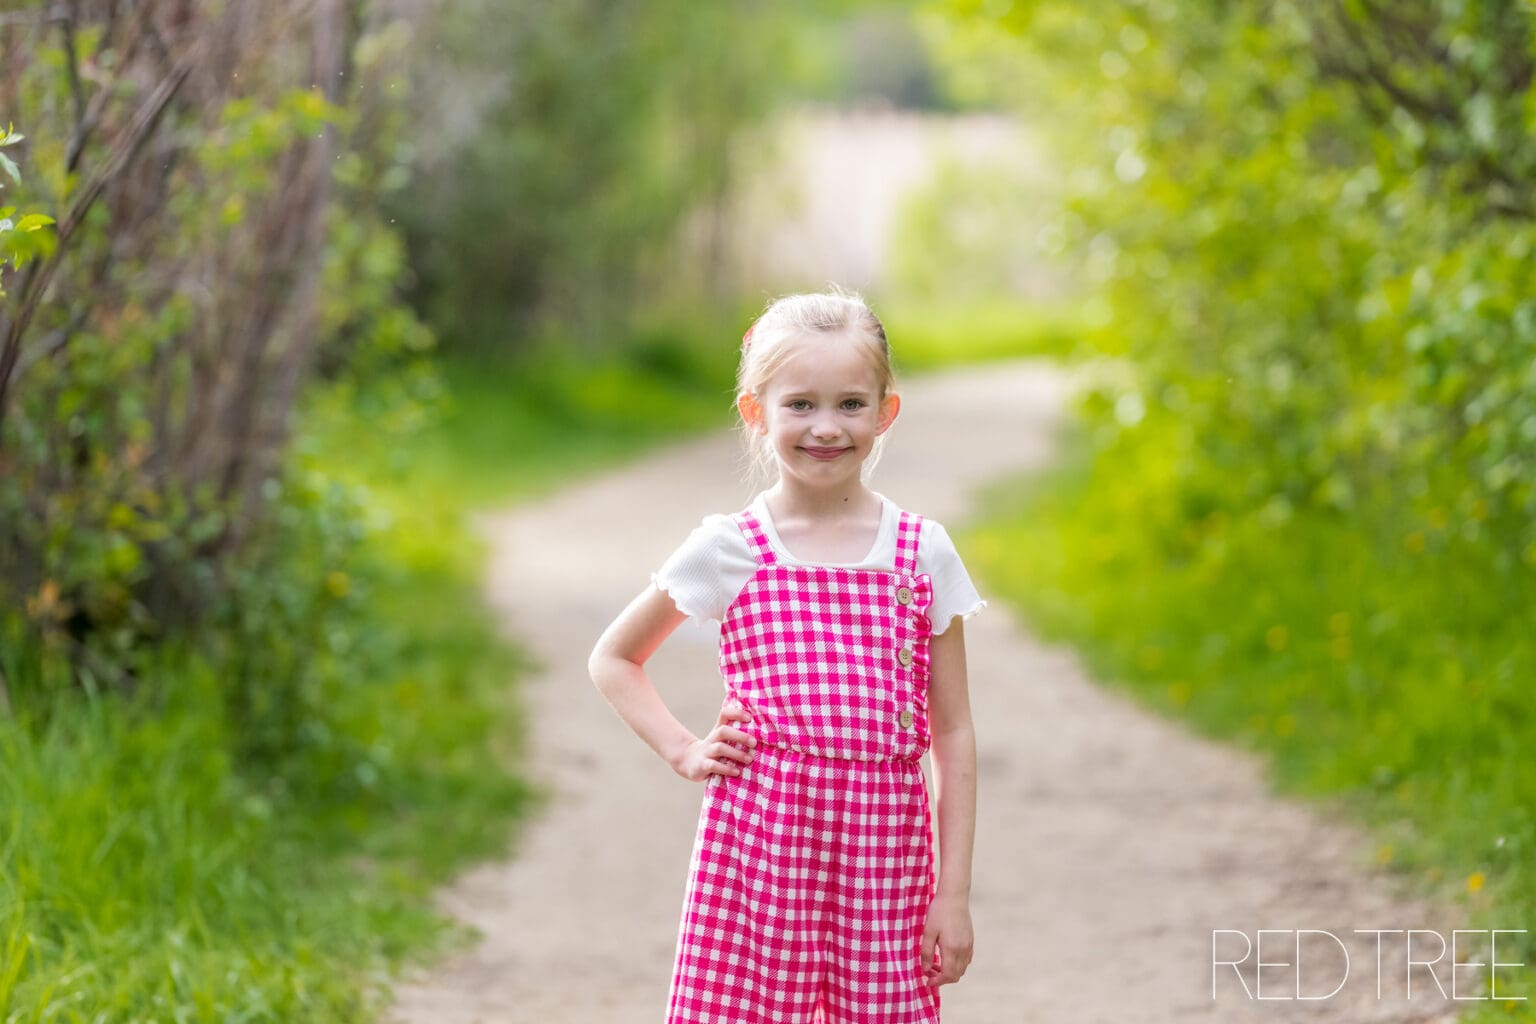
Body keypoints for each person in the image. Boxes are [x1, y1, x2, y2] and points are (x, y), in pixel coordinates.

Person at [588, 289, 984, 1023]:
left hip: (883, 861)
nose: (826, 427)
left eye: (850, 404)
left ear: (885, 412)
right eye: (800, 405)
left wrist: (951, 894)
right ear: (756, 413)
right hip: (761, 850)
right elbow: (615, 658)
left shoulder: (920, 553)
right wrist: (684, 750)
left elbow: (953, 730)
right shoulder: (730, 547)